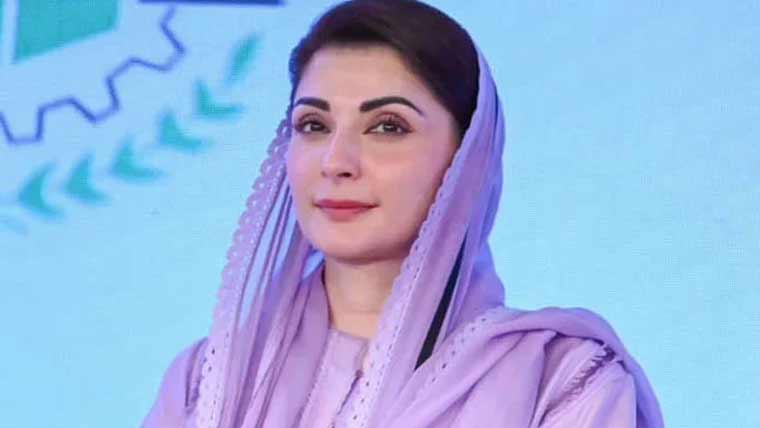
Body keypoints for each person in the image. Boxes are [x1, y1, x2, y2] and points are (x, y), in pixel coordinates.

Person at [142, 1, 664, 427]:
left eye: (387, 126)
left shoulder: (560, 381)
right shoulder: (205, 381)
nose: (336, 162)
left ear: (468, 157)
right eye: (313, 125)